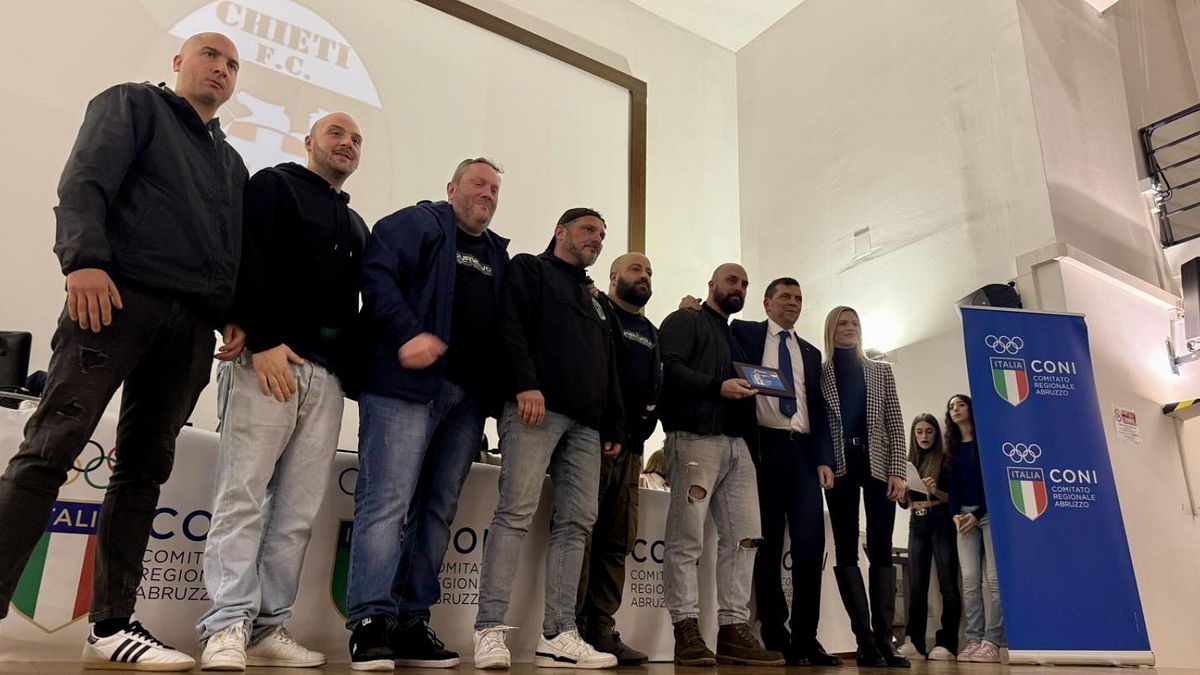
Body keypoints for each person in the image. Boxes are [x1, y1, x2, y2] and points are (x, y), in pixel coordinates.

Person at [0, 33, 247, 670]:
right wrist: (83, 260)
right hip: (114, 300)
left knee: (144, 470)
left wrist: (232, 313)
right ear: (179, 62)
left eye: (231, 64)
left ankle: (111, 627)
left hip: (191, 326)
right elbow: (85, 181)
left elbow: (227, 247)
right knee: (51, 448)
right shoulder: (133, 105)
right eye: (210, 55)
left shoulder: (232, 163)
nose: (220, 69)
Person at [197, 113, 368, 671]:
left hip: (326, 379)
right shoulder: (274, 185)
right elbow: (245, 255)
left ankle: (268, 627)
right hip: (268, 362)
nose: (348, 143)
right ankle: (226, 624)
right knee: (242, 495)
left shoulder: (356, 224)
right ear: (309, 141)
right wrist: (263, 337)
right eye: (337, 133)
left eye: (357, 139)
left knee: (296, 513)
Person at [346, 158, 510, 671]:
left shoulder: (498, 254)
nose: (487, 194)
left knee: (437, 511)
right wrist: (408, 334)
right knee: (387, 502)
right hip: (404, 387)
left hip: (468, 400)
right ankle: (370, 622)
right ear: (451, 187)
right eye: (478, 183)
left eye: (495, 189)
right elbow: (377, 277)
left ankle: (410, 621)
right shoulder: (416, 223)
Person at [473, 208, 623, 670]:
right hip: (534, 409)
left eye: (602, 234)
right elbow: (510, 326)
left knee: (578, 523)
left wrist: (613, 423)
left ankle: (558, 634)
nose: (597, 239)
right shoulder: (530, 268)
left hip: (587, 425)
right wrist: (524, 383)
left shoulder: (596, 300)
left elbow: (607, 363)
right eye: (588, 230)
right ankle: (489, 629)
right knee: (515, 513)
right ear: (561, 232)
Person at [658, 263, 783, 668]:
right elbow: (669, 369)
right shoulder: (684, 319)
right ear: (711, 284)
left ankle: (733, 629)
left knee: (745, 539)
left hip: (738, 447)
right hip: (694, 437)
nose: (739, 287)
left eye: (745, 284)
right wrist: (717, 387)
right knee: (686, 539)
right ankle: (686, 629)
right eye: (732, 280)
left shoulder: (735, 336)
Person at [728, 278, 841, 667]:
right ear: (767, 303)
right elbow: (716, 326)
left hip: (805, 453)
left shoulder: (809, 351)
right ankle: (776, 635)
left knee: (810, 546)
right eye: (785, 297)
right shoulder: (745, 332)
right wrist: (693, 305)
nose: (793, 303)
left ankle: (807, 638)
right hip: (764, 448)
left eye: (798, 298)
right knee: (769, 543)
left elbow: (819, 408)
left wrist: (825, 458)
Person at [576, 253, 660, 666]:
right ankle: (569, 627)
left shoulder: (651, 331)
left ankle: (601, 627)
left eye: (648, 272)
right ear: (613, 277)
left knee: (617, 540)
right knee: (581, 533)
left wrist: (638, 435)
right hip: (592, 439)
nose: (643, 276)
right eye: (635, 270)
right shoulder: (595, 311)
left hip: (632, 448)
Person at [819, 306, 908, 668]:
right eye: (843, 323)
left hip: (879, 465)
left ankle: (885, 640)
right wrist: (823, 461)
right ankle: (865, 641)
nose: (850, 328)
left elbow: (895, 423)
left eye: (854, 323)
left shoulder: (880, 370)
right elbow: (820, 424)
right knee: (845, 548)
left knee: (882, 547)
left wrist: (898, 471)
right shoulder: (820, 373)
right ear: (831, 329)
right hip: (839, 467)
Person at [943, 394, 1005, 663]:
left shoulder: (986, 442)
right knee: (969, 581)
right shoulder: (952, 448)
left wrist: (977, 514)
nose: (955, 409)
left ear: (970, 408)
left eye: (960, 404)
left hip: (989, 514)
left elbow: (995, 484)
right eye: (951, 407)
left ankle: (993, 641)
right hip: (963, 517)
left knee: (994, 581)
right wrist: (955, 516)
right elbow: (953, 488)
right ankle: (974, 639)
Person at [896, 414, 960, 661]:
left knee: (948, 584)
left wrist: (935, 490)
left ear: (936, 433)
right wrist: (903, 495)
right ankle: (915, 642)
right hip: (917, 520)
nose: (924, 436)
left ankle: (947, 643)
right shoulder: (909, 461)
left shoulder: (945, 460)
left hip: (940, 520)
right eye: (919, 431)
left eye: (929, 431)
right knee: (916, 586)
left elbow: (953, 498)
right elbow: (904, 504)